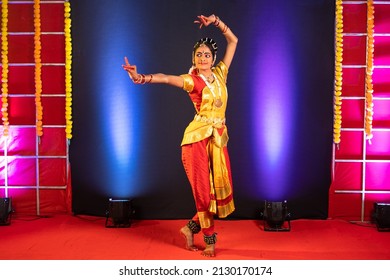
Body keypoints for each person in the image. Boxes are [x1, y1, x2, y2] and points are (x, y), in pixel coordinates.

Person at [122, 14, 238, 257]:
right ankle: (209, 241)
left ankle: (189, 228)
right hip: (196, 140)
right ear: (194, 58)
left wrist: (216, 22)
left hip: (217, 140)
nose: (203, 57)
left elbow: (233, 41)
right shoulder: (192, 80)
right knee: (203, 194)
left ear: (213, 58)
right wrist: (140, 77)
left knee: (217, 193)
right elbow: (166, 78)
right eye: (199, 54)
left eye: (207, 54)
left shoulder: (221, 74)